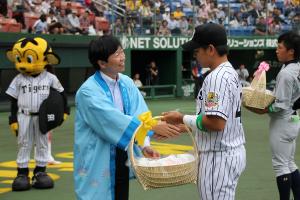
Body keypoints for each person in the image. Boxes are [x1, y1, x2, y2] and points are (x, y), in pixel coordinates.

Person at [74, 35, 181, 200]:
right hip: (98, 156)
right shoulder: (88, 91)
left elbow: (140, 114)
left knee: (121, 193)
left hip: (122, 153)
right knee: (97, 194)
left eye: (122, 51)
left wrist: (145, 145)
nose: (122, 57)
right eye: (116, 54)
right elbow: (110, 120)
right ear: (102, 63)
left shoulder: (127, 82)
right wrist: (152, 127)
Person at [162, 23, 246, 200]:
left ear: (210, 49)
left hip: (218, 157)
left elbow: (216, 123)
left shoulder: (216, 78)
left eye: (197, 50)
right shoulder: (228, 71)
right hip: (228, 152)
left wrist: (181, 118)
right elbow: (215, 119)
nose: (195, 55)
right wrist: (181, 128)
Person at [6, 37, 69, 191]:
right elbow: (13, 101)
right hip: (24, 115)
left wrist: (65, 112)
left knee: (42, 144)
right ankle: (22, 174)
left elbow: (61, 96)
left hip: (42, 117)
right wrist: (13, 119)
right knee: (24, 144)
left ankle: (40, 172)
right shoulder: (19, 79)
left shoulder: (50, 78)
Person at [245, 31, 300, 200]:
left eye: (280, 47)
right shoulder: (296, 67)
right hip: (294, 119)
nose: (277, 50)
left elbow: (279, 105)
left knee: (280, 166)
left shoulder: (286, 73)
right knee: (289, 163)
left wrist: (259, 108)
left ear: (291, 51)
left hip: (283, 121)